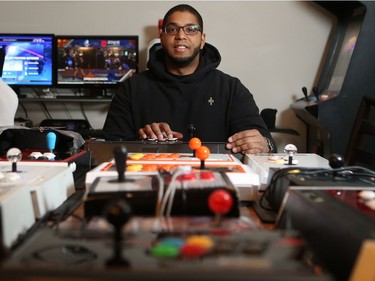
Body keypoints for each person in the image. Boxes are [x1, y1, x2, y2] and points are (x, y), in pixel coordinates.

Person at [103, 4, 276, 154]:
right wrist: (142, 141)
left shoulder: (231, 88)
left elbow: (265, 141)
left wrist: (263, 144)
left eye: (191, 29)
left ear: (202, 40)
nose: (181, 35)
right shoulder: (131, 89)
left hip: (215, 182)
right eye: (172, 29)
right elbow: (109, 147)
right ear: (162, 38)